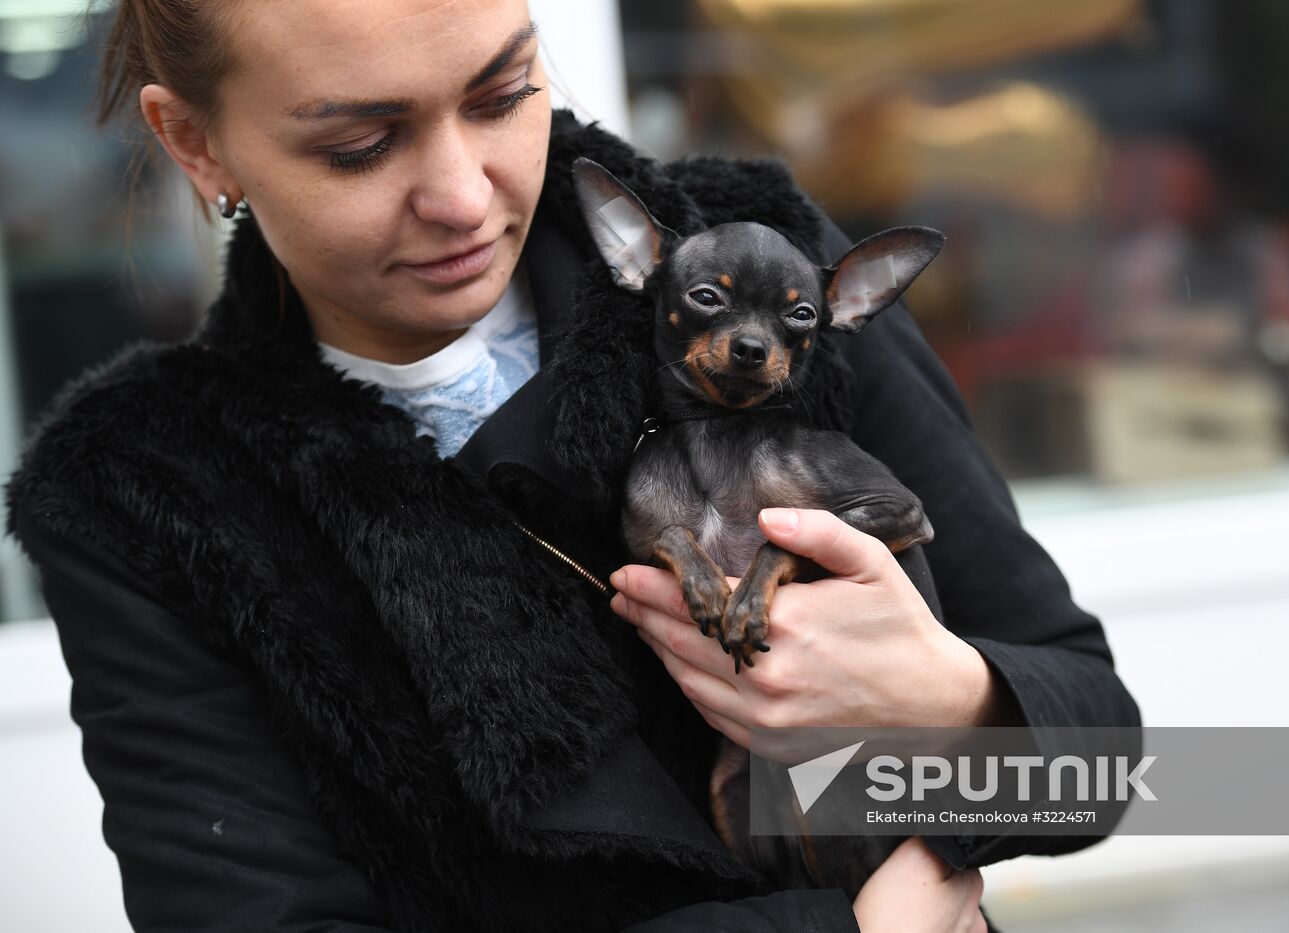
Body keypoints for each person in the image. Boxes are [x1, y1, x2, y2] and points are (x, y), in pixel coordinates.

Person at [2, 1, 1141, 931]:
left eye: (502, 94)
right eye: (358, 144)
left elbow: (1103, 760)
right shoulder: (144, 495)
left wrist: (949, 701)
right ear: (197, 141)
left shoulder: (763, 264)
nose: (462, 195)